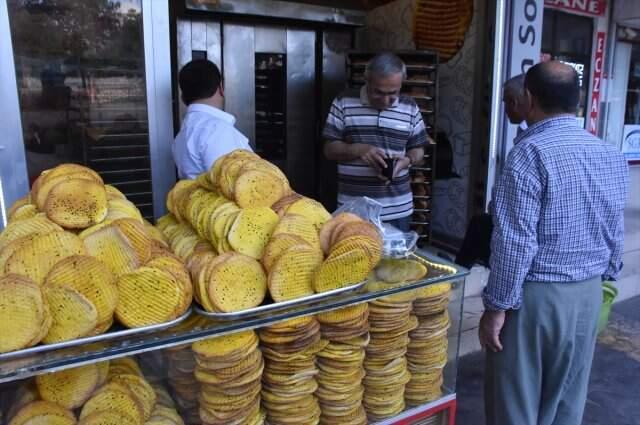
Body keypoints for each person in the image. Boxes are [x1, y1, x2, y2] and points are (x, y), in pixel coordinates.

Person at [480, 61, 629, 425]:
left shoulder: (529, 154)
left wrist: (497, 308)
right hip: (589, 294)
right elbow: (614, 225)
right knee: (566, 401)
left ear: (528, 99)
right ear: (577, 101)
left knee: (516, 404)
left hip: (536, 300)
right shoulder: (608, 153)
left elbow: (515, 242)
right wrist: (606, 276)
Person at [323, 53, 427, 231]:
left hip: (398, 211)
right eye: (378, 92)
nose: (385, 101)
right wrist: (358, 149)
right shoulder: (343, 101)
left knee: (396, 260)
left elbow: (418, 150)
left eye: (393, 93)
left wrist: (407, 161)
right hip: (353, 210)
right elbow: (329, 150)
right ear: (367, 80)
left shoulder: (410, 106)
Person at [455, 74, 527, 268]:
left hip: (524, 249)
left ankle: (458, 276)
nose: (504, 109)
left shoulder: (528, 149)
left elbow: (514, 215)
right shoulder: (601, 151)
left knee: (481, 225)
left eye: (505, 102)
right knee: (479, 223)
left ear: (514, 101)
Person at [172, 59, 252, 180]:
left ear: (183, 97)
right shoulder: (216, 130)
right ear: (220, 88)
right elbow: (239, 185)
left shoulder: (182, 135)